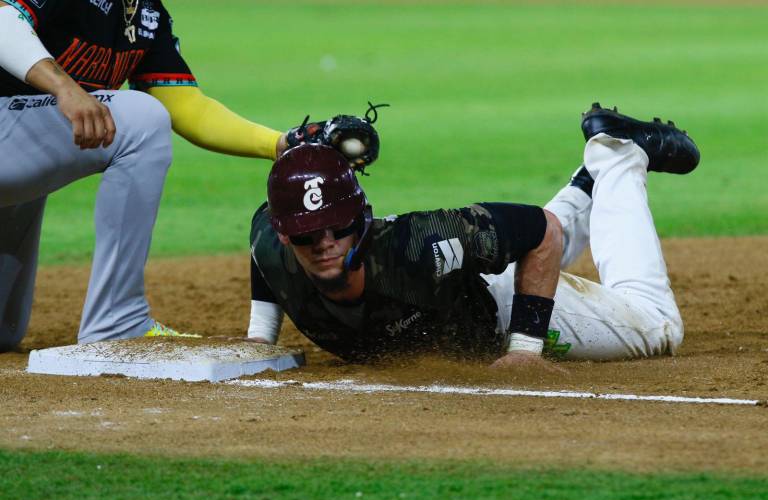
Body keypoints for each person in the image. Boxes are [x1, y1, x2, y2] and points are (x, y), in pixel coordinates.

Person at [246, 104, 700, 368]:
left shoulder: (423, 246)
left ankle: (617, 152)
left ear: (360, 218)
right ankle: (587, 182)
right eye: (306, 234)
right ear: (286, 237)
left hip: (498, 305)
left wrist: (525, 348)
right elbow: (262, 231)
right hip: (454, 284)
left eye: (338, 227)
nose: (323, 243)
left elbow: (544, 232)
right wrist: (259, 340)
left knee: (658, 329)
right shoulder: (273, 241)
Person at [0, 0, 297, 350]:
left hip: (14, 143)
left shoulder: (145, 12)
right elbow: (4, 22)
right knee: (141, 119)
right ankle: (117, 322)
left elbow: (187, 106)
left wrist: (278, 144)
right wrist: (65, 87)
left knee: (4, 331)